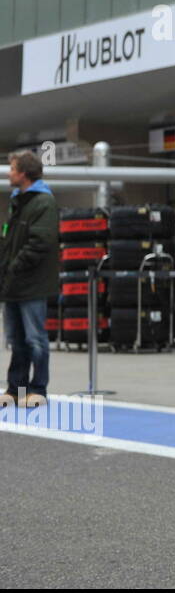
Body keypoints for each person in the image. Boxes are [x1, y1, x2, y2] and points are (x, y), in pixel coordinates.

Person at [0, 151, 59, 409]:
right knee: (16, 338)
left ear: (23, 173)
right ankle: (16, 388)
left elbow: (40, 242)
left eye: (12, 169)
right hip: (13, 284)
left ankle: (38, 389)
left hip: (32, 283)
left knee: (35, 338)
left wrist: (14, 266)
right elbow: (9, 241)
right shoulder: (18, 201)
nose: (8, 173)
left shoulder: (43, 202)